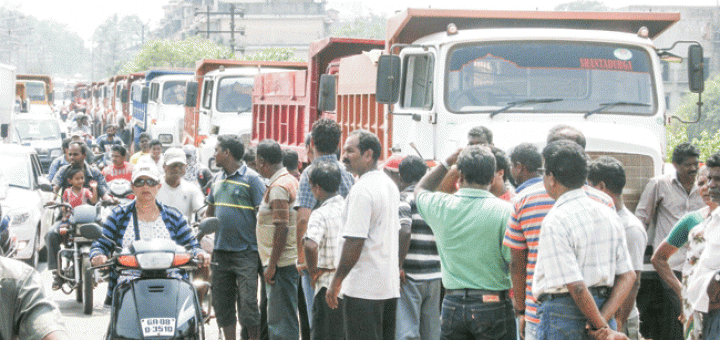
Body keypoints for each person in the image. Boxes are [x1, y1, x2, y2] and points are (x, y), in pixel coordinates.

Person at [504, 124, 615, 340]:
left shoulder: (524, 201)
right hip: (599, 315)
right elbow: (622, 271)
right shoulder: (604, 202)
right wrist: (603, 324)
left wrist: (522, 311)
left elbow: (517, 263)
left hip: (542, 315)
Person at [533, 141, 636, 340]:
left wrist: (599, 326)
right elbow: (628, 276)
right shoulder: (608, 213)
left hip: (564, 316)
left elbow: (577, 286)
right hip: (603, 309)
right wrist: (602, 324)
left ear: (552, 178)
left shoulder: (555, 220)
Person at [414, 145, 514, 339]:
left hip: (452, 304)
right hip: (494, 303)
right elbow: (514, 262)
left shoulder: (440, 205)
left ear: (459, 178)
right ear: (492, 179)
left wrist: (446, 162)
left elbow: (421, 188)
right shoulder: (506, 211)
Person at [89, 159, 209, 305]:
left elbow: (192, 244)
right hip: (128, 286)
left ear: (158, 186)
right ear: (132, 187)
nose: (145, 186)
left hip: (172, 284)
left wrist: (200, 253)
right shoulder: (118, 215)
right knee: (119, 328)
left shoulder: (174, 216)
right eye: (140, 182)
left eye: (150, 182)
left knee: (189, 322)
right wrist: (98, 255)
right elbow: (101, 243)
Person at [326, 129, 400, 340]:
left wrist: (336, 280)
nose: (344, 156)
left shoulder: (362, 190)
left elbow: (355, 241)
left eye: (350, 151)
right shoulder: (388, 184)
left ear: (368, 155)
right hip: (387, 287)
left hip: (363, 290)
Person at [635, 142, 704, 340]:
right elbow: (642, 218)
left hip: (696, 264)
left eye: (695, 164)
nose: (692, 169)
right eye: (686, 165)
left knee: (685, 317)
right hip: (670, 263)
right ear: (675, 165)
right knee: (682, 311)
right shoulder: (659, 184)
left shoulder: (704, 187)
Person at [295, 119, 355, 336]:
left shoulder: (311, 174)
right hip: (345, 259)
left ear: (311, 143)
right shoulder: (347, 173)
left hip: (318, 264)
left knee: (317, 321)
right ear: (338, 144)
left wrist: (303, 262)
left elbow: (303, 219)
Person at [205, 135, 266, 340]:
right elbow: (210, 212)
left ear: (227, 153)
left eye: (217, 150)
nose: (214, 154)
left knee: (248, 304)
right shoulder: (216, 178)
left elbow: (264, 217)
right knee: (222, 303)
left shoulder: (252, 179)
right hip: (221, 253)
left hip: (246, 253)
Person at [656, 160, 719, 340]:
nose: (707, 187)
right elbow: (659, 258)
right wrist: (683, 292)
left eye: (711, 181)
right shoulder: (692, 221)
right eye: (701, 183)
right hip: (696, 304)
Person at [588, 156, 648, 339]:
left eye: (588, 186)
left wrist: (619, 322)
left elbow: (633, 281)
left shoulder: (630, 228)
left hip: (619, 319)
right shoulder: (606, 220)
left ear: (600, 187)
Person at [255, 139, 300, 339]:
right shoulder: (288, 180)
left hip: (281, 264)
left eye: (257, 162)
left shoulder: (279, 187)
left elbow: (282, 228)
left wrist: (272, 265)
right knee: (285, 318)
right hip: (286, 261)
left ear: (263, 162)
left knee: (280, 322)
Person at [394, 155, 442, 340]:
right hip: (434, 274)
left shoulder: (404, 198)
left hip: (410, 275)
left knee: (407, 333)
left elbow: (405, 231)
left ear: (401, 177)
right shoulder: (434, 200)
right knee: (431, 333)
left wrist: (398, 265)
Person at [303, 161, 345, 340]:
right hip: (350, 285)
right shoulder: (349, 208)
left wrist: (312, 271)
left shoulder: (320, 214)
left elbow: (310, 244)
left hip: (328, 287)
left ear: (318, 188)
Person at [685, 157, 720, 339]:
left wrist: (716, 280)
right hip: (708, 314)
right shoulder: (714, 219)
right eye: (710, 179)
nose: (711, 185)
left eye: (718, 179)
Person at [0, 256, 70, 340]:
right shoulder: (19, 277)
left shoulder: (19, 278)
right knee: (52, 242)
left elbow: (47, 328)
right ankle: (57, 270)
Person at [438, 125, 493, 193]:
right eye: (471, 145)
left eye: (481, 145)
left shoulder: (498, 169)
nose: (475, 148)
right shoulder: (458, 169)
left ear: (491, 146)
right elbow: (441, 193)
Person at [156, 148, 204, 222]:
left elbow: (202, 211)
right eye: (173, 165)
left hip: (184, 232)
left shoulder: (191, 189)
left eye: (180, 165)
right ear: (164, 167)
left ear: (185, 167)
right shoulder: (153, 188)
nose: (177, 168)